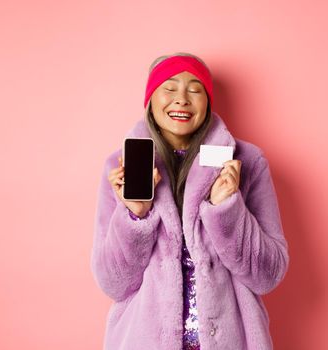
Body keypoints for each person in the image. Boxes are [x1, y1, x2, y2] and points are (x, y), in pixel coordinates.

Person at [90, 52, 289, 350]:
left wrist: (227, 210)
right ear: (150, 100)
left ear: (207, 102)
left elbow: (268, 275)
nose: (181, 99)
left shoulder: (246, 162)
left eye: (195, 90)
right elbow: (113, 283)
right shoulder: (120, 168)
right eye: (169, 88)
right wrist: (135, 217)